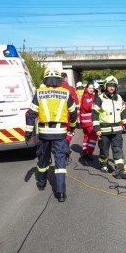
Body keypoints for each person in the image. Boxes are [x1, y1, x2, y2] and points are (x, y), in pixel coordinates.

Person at [26, 68, 78, 203]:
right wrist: (72, 126)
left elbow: (31, 114)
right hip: (60, 132)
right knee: (60, 162)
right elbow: (73, 112)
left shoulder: (39, 93)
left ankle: (42, 183)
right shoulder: (65, 93)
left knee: (43, 159)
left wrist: (28, 132)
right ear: (59, 78)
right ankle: (61, 193)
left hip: (44, 133)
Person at [92, 76, 126, 179]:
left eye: (113, 86)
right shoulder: (100, 98)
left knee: (117, 149)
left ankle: (120, 171)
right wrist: (96, 128)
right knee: (104, 150)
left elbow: (123, 114)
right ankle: (103, 164)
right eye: (110, 86)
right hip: (104, 130)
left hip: (117, 130)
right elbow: (95, 114)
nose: (112, 88)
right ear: (106, 86)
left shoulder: (119, 98)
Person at [79, 82, 99, 158]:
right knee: (94, 135)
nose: (91, 89)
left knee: (87, 136)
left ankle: (85, 151)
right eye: (90, 88)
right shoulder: (86, 96)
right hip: (88, 121)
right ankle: (89, 152)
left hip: (86, 121)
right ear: (86, 88)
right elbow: (87, 107)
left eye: (92, 88)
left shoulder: (91, 96)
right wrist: (95, 105)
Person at [61, 73, 80, 146]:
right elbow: (75, 103)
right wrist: (77, 116)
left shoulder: (55, 89)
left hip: (57, 116)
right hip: (69, 115)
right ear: (66, 78)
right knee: (70, 132)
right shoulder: (71, 89)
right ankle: (66, 145)